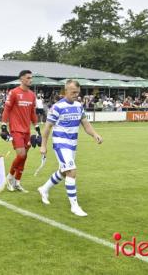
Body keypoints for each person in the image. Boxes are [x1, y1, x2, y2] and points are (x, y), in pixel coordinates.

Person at [37, 80, 103, 217]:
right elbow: (47, 127)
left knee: (63, 171)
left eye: (77, 92)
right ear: (65, 91)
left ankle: (44, 189)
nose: (76, 95)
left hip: (72, 145)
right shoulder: (57, 107)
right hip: (61, 144)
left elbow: (86, 124)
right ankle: (74, 206)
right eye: (73, 92)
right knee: (71, 172)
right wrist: (43, 145)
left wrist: (95, 134)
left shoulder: (79, 106)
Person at [0, 70, 40, 193]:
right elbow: (7, 109)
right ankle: (9, 177)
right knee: (21, 154)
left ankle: (17, 182)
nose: (30, 80)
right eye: (28, 78)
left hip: (27, 130)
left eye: (31, 78)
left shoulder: (32, 95)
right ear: (21, 79)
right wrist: (3, 125)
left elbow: (33, 113)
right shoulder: (14, 92)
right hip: (16, 129)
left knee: (24, 157)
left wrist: (37, 127)